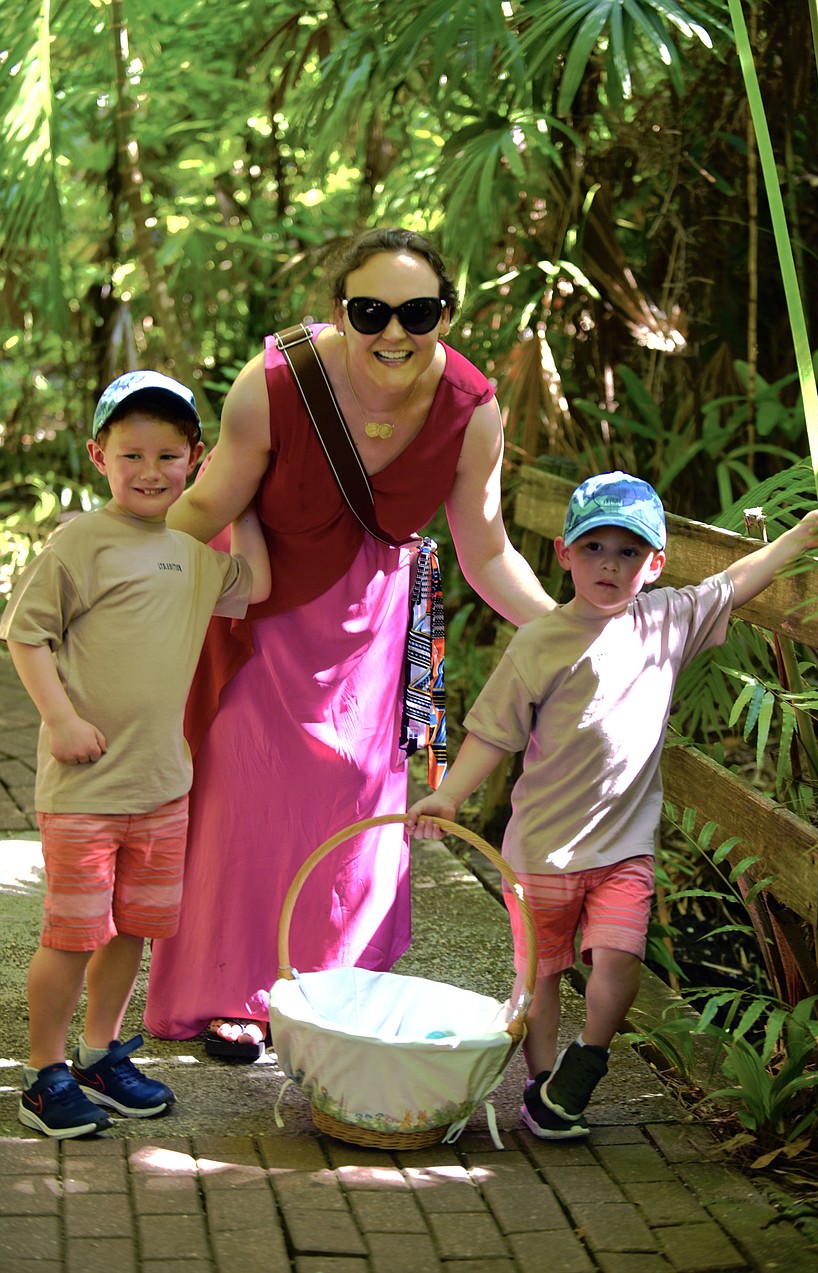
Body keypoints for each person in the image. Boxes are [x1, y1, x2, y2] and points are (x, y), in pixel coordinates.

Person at [142, 227, 557, 1059]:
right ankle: (230, 993)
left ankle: (328, 983)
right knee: (245, 798)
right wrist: (120, 579)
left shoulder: (470, 412)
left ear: (445, 315)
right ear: (341, 312)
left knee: (352, 805)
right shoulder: (274, 385)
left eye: (417, 313)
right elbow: (203, 507)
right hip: (261, 613)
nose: (393, 333)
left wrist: (568, 629)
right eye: (371, 312)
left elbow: (486, 551)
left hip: (372, 624)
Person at [407, 471, 818, 1139]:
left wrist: (801, 535)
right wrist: (448, 796)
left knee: (620, 960)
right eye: (594, 548)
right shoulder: (539, 643)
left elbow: (736, 581)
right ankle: (542, 1088)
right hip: (541, 852)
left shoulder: (668, 620)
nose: (609, 565)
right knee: (544, 977)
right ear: (564, 553)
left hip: (623, 849)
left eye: (628, 552)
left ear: (656, 562)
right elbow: (492, 731)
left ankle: (589, 1059)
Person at [0, 371, 271, 1138]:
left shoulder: (190, 551)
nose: (150, 471)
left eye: (168, 454)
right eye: (131, 454)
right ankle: (43, 1070)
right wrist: (58, 718)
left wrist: (244, 500)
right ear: (99, 455)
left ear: (196, 456)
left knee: (131, 930)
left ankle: (98, 1052)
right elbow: (25, 633)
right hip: (85, 788)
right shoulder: (81, 541)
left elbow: (258, 586)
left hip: (162, 788)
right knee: (69, 935)